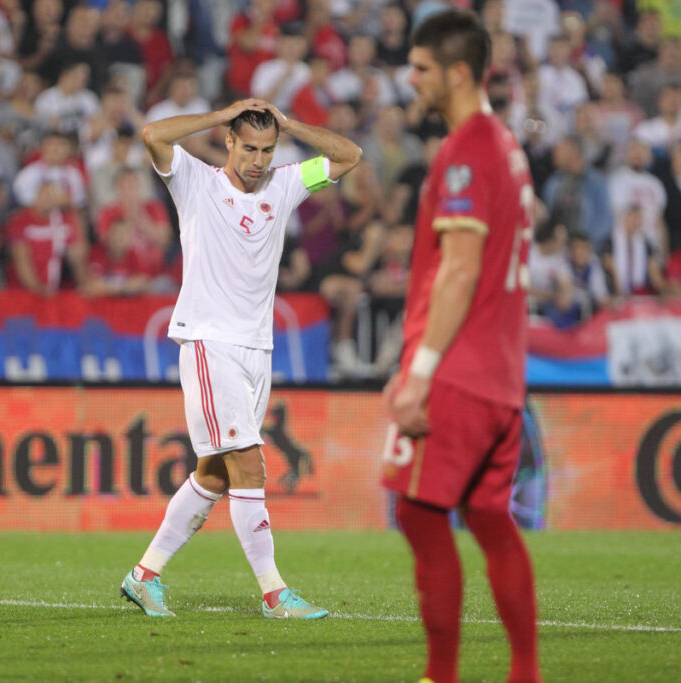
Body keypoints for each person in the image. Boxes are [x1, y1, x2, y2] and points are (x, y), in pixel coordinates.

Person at [120, 97, 361, 619]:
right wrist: (220, 114)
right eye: (248, 147)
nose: (258, 160)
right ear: (229, 141)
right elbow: (153, 135)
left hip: (258, 348)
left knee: (215, 474)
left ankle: (143, 576)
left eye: (267, 150)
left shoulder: (285, 182)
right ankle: (276, 594)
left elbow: (348, 155)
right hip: (210, 342)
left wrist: (292, 124)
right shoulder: (195, 181)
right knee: (249, 464)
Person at [381, 10, 541, 683]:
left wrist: (418, 371)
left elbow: (461, 268)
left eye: (419, 67)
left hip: (458, 369)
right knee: (488, 516)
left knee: (418, 514)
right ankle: (524, 672)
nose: (408, 78)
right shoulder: (504, 144)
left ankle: (440, 675)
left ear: (456, 72)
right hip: (503, 375)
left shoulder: (466, 150)